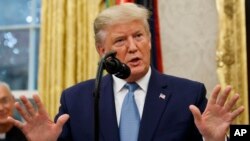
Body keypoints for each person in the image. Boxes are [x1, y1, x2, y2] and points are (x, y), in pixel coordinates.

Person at [7, 3, 244, 141]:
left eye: (139, 36)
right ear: (102, 51)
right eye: (120, 40)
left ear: (149, 40)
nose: (133, 47)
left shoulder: (188, 94)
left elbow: (238, 136)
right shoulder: (76, 99)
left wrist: (216, 140)